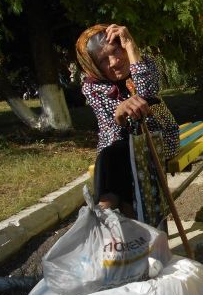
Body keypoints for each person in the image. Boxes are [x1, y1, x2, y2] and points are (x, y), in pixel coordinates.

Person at [76, 23, 179, 221]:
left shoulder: (144, 63)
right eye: (103, 60)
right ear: (93, 66)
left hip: (159, 139)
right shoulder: (92, 87)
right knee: (113, 154)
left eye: (116, 50)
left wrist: (131, 48)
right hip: (118, 150)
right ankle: (113, 213)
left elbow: (147, 95)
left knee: (122, 155)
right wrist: (119, 114)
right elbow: (111, 131)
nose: (114, 61)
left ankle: (106, 214)